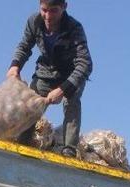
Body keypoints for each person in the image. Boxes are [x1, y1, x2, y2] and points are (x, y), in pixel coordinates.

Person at [8, 0, 92, 157]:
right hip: (46, 71)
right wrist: (15, 66)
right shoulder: (34, 21)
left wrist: (62, 89)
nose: (47, 16)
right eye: (44, 10)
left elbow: (85, 64)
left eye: (53, 11)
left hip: (71, 73)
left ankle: (69, 148)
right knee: (31, 102)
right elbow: (24, 46)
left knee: (72, 102)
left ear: (64, 7)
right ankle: (23, 141)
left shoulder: (74, 28)